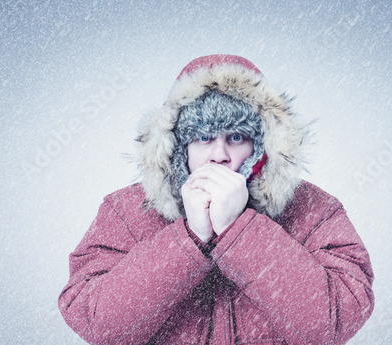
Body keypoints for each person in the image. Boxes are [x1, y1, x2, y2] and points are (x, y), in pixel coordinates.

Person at [58, 54, 374, 345]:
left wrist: (239, 231)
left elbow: (334, 322)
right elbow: (99, 324)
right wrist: (189, 238)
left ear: (263, 144)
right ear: (177, 145)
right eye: (203, 137)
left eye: (236, 137)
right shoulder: (127, 211)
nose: (219, 156)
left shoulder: (314, 210)